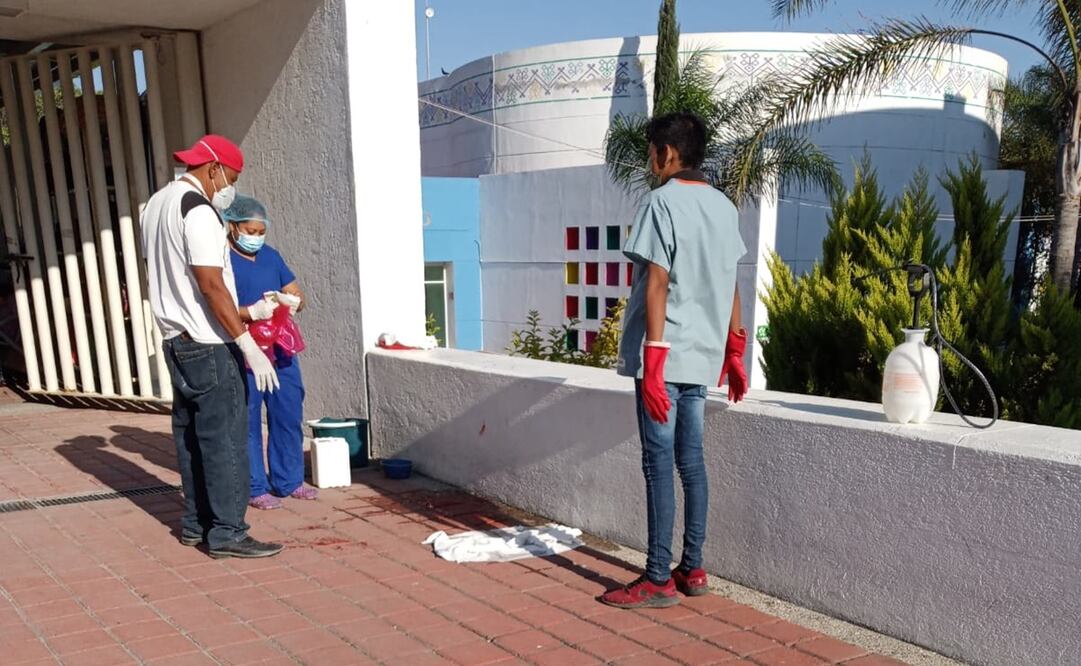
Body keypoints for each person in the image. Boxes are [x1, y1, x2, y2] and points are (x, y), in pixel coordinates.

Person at [601, 113, 749, 609]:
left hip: (666, 359)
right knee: (693, 463)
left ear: (667, 153)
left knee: (658, 464)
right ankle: (693, 568)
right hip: (703, 358)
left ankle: (659, 577)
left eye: (651, 152)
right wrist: (734, 348)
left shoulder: (660, 202)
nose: (650, 160)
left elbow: (658, 283)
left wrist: (655, 363)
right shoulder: (724, 207)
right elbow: (730, 282)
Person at [140, 134, 284, 559]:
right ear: (213, 168)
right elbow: (209, 283)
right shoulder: (198, 211)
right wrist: (246, 343)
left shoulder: (156, 205)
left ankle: (195, 524)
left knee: (190, 437)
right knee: (225, 439)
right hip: (207, 342)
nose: (229, 188)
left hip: (174, 338)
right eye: (231, 178)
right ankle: (228, 533)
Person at [221, 195, 316, 510]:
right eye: (250, 230)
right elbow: (217, 307)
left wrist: (292, 301)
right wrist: (251, 311)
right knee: (247, 417)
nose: (256, 238)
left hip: (281, 346)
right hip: (246, 348)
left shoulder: (271, 257)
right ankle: (254, 486)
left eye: (261, 232)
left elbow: (297, 293)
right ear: (233, 227)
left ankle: (289, 480)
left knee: (288, 412)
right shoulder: (222, 259)